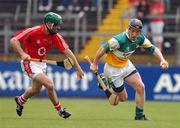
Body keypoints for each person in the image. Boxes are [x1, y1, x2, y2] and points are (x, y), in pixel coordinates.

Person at [90, 18, 169, 120]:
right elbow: (103, 48)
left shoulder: (140, 38)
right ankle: (104, 83)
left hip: (126, 64)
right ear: (128, 29)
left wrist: (162, 59)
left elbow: (153, 48)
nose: (135, 34)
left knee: (141, 87)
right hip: (113, 69)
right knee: (123, 98)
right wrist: (95, 63)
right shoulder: (119, 40)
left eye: (137, 32)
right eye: (133, 31)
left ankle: (139, 116)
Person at [10, 12, 84, 119]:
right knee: (49, 84)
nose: (58, 27)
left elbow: (68, 52)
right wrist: (22, 54)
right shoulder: (33, 31)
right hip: (29, 63)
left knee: (36, 90)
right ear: (49, 24)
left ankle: (20, 100)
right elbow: (14, 40)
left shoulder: (56, 36)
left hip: (41, 63)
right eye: (56, 25)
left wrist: (78, 68)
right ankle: (60, 111)